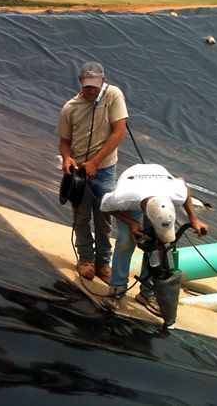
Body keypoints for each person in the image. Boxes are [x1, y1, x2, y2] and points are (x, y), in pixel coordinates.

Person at [100, 163, 209, 310]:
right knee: (126, 241)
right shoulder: (124, 198)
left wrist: (193, 219)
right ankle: (116, 289)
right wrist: (132, 223)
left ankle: (147, 292)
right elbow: (105, 206)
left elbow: (183, 184)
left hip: (158, 183)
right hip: (133, 183)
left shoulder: (176, 193)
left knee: (157, 246)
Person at [57, 61, 128, 283]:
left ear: (103, 80)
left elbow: (118, 132)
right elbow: (64, 141)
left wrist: (96, 162)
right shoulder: (70, 107)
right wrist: (67, 158)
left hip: (104, 169)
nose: (90, 90)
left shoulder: (113, 96)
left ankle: (103, 263)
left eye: (94, 86)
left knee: (104, 218)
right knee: (80, 216)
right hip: (79, 173)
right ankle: (86, 259)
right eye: (87, 86)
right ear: (80, 82)